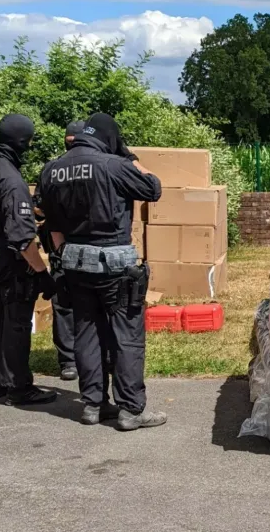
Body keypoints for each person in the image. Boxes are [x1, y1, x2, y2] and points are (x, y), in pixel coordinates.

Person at [37, 113, 165, 430]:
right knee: (126, 336)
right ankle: (131, 410)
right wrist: (130, 157)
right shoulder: (114, 164)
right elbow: (153, 188)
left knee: (87, 332)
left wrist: (62, 254)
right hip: (115, 264)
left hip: (74, 263)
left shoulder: (52, 169)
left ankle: (93, 405)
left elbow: (48, 217)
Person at [0, 114, 57, 406]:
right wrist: (42, 272)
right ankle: (18, 387)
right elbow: (21, 240)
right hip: (9, 259)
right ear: (22, 142)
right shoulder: (12, 179)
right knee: (16, 324)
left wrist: (26, 208)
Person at [35, 121, 85, 381]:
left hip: (59, 246)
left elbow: (38, 207)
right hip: (86, 245)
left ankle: (69, 361)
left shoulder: (52, 168)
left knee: (65, 304)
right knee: (82, 303)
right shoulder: (97, 166)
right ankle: (82, 358)